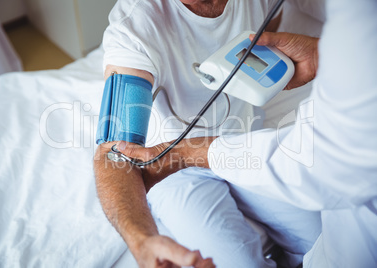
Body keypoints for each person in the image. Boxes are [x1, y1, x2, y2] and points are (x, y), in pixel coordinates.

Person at [117, 0, 377, 267]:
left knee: (321, 240)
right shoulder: (133, 27)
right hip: (172, 166)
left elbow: (327, 167)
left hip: (245, 144)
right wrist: (141, 241)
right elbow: (114, 151)